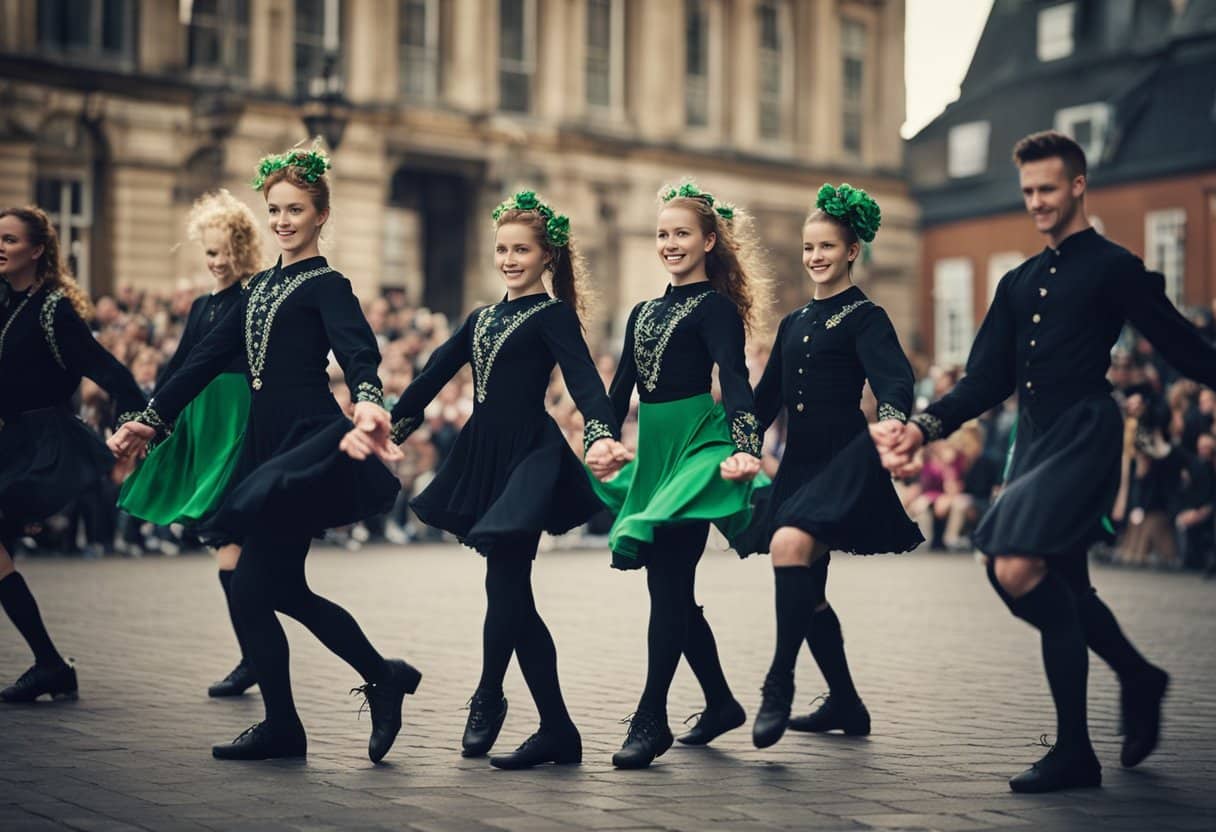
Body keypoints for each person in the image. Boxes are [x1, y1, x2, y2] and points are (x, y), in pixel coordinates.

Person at [877, 131, 1216, 793]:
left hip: (1086, 432)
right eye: (1027, 191)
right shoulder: (1017, 281)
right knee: (1063, 584)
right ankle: (1135, 682)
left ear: (1078, 186)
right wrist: (923, 426)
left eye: (1048, 189)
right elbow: (983, 380)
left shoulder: (1113, 267)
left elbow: (1182, 348)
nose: (1035, 202)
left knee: (1014, 563)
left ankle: (1074, 747)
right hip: (1034, 441)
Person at [109, 144, 416, 763]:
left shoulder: (327, 284)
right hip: (262, 447)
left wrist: (369, 402)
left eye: (295, 210)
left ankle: (290, 724)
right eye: (274, 209)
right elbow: (202, 359)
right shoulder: (258, 289)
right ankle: (381, 676)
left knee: (252, 585)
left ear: (320, 215)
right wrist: (151, 418)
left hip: (304, 442)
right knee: (279, 588)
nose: (281, 220)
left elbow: (359, 351)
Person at [341, 190, 631, 769]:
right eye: (501, 249)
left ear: (547, 256)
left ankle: (490, 694)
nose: (509, 259)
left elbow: (584, 379)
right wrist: (394, 419)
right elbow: (433, 373)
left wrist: (600, 430)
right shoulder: (481, 318)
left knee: (504, 578)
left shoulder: (553, 315)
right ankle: (554, 727)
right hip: (487, 454)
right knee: (509, 589)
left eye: (521, 249)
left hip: (531, 453)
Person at [592, 181, 769, 769]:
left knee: (667, 587)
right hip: (656, 454)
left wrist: (747, 448)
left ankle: (652, 718)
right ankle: (719, 702)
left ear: (709, 241)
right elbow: (619, 390)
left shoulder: (716, 308)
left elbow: (736, 379)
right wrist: (601, 439)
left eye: (682, 234)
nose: (670, 243)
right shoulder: (643, 312)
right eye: (663, 234)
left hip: (698, 447)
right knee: (670, 589)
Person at [740, 184, 922, 749]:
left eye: (826, 247)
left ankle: (778, 684)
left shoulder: (867, 317)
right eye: (807, 248)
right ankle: (845, 702)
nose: (815, 256)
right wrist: (733, 439)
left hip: (845, 458)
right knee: (809, 589)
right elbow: (764, 397)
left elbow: (896, 381)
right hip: (800, 462)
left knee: (788, 548)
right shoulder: (793, 322)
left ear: (851, 252)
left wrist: (892, 420)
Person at [116, 190, 262, 698]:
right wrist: (150, 417)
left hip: (235, 417)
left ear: (243, 250)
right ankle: (254, 655)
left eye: (224, 252)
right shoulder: (202, 305)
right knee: (227, 544)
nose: (216, 261)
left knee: (229, 540)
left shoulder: (253, 296)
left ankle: (255, 656)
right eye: (209, 252)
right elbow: (182, 365)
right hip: (201, 416)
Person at [0, 206, 146, 702]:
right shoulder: (3, 301)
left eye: (10, 239)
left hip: (41, 442)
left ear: (37, 250)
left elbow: (111, 372)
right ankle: (50, 664)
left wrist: (140, 426)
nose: (0, 246)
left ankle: (49, 663)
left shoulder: (53, 309)